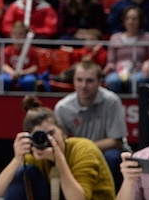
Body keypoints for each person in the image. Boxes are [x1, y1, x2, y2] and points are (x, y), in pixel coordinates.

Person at [0, 95, 115, 200]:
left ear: (62, 131)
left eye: (52, 133)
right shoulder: (35, 156)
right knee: (25, 172)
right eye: (41, 136)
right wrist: (17, 159)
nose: (49, 139)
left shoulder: (84, 149)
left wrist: (58, 159)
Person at [55, 60, 128, 191]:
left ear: (100, 82)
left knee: (112, 157)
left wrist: (86, 149)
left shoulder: (112, 101)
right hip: (80, 154)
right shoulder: (62, 107)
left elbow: (116, 141)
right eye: (79, 80)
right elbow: (61, 142)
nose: (83, 85)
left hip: (108, 153)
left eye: (89, 81)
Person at [104, 6, 149, 93]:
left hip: (138, 71)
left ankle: (137, 106)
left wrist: (148, 62)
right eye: (128, 18)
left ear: (140, 21)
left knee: (137, 80)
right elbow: (111, 62)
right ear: (124, 20)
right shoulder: (115, 38)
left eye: (134, 19)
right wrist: (109, 67)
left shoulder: (147, 37)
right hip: (119, 72)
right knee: (112, 80)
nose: (131, 22)